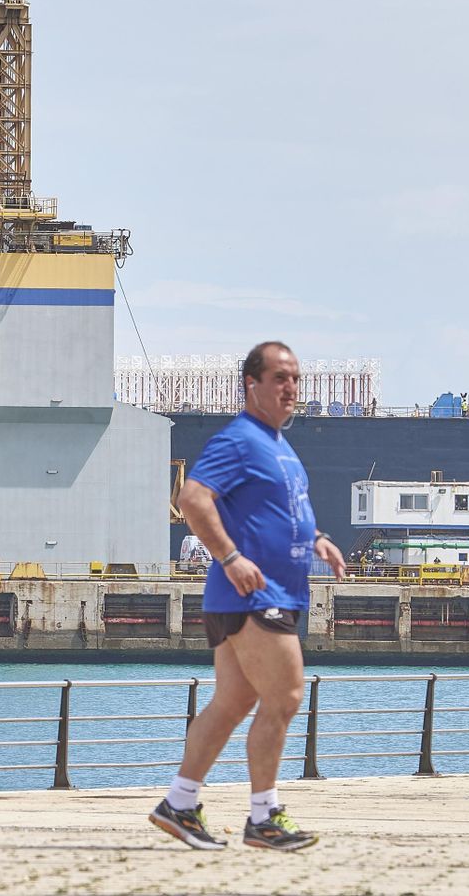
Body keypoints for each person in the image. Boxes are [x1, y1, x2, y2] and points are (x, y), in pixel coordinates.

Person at [150, 341, 346, 852]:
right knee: (284, 696)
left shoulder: (280, 445)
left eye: (296, 378)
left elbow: (281, 511)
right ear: (251, 385)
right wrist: (231, 557)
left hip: (255, 594)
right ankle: (264, 816)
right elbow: (192, 498)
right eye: (280, 377)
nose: (291, 388)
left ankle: (180, 802)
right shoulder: (239, 439)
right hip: (255, 594)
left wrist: (317, 539)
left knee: (233, 702)